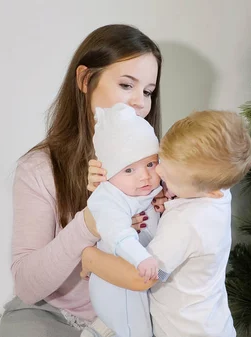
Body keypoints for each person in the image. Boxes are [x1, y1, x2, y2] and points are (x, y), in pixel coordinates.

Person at [0, 24, 166, 337]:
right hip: (56, 318)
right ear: (86, 80)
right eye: (127, 85)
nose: (139, 101)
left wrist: (178, 205)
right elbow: (27, 285)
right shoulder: (41, 168)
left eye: (148, 91)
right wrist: (89, 223)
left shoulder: (160, 170)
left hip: (134, 316)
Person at [81, 110, 251, 337]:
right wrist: (173, 193)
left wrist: (90, 259)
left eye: (170, 178)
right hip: (214, 323)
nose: (159, 173)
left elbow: (141, 278)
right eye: (160, 161)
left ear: (209, 191)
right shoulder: (219, 186)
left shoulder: (186, 224)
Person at [81, 103, 162, 337]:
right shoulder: (107, 198)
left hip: (137, 275)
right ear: (108, 173)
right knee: (136, 329)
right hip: (115, 283)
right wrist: (141, 258)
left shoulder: (153, 190)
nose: (144, 176)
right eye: (129, 170)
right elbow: (117, 233)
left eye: (150, 164)